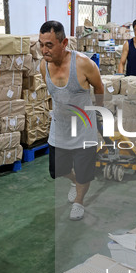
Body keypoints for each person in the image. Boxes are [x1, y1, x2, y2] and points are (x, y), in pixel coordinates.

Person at [39, 20, 104, 221]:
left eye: (49, 45)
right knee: (58, 170)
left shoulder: (84, 64)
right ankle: (74, 182)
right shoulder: (44, 66)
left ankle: (79, 201)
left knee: (85, 173)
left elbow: (99, 88)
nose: (44, 50)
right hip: (60, 127)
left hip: (84, 127)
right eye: (41, 44)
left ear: (64, 42)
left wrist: (98, 116)